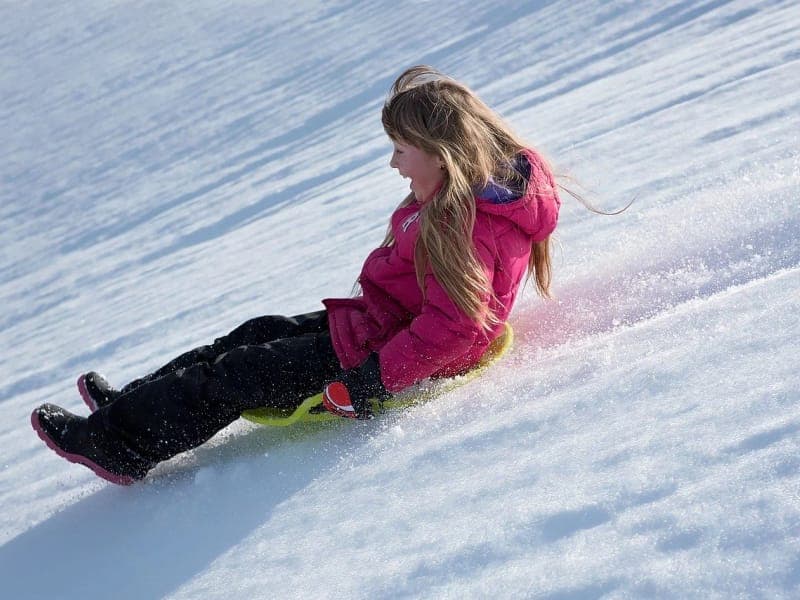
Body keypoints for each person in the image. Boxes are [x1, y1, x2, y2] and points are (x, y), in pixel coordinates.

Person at [31, 65, 561, 485]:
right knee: (254, 333)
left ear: (444, 157)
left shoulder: (463, 225)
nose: (394, 165)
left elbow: (455, 329)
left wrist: (372, 382)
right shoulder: (466, 199)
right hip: (381, 326)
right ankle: (131, 403)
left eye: (401, 150)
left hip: (380, 356)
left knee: (236, 374)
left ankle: (116, 445)